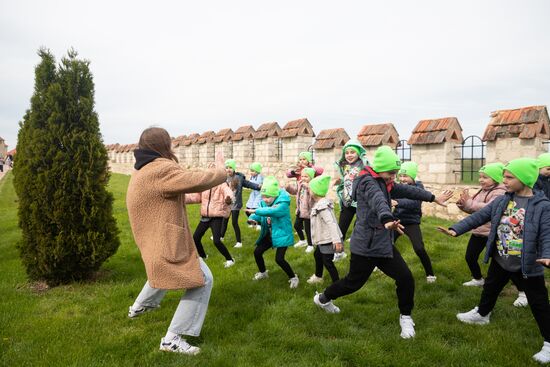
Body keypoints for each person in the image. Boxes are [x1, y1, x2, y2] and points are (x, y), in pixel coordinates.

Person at [313, 146, 452, 339]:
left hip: (383, 244)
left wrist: (433, 197)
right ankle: (323, 299)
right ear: (379, 169)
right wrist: (387, 219)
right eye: (391, 173)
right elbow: (378, 201)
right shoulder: (367, 183)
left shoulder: (385, 182)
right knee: (353, 283)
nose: (394, 177)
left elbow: (407, 190)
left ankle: (405, 317)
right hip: (366, 245)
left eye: (396, 173)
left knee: (405, 278)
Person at [439, 158, 550, 364]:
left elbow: (546, 233)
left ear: (525, 179)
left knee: (539, 302)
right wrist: (456, 229)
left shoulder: (542, 205)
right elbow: (480, 216)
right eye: (504, 176)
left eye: (509, 177)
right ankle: (482, 315)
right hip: (501, 257)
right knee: (490, 288)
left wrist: (547, 254)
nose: (504, 180)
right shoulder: (503, 200)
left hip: (527, 264)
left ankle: (549, 342)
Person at [126, 127, 226, 355]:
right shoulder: (160, 169)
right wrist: (221, 170)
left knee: (159, 271)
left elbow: (165, 196)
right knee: (202, 279)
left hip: (152, 241)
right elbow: (197, 179)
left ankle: (139, 308)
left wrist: (190, 198)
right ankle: (172, 339)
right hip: (165, 241)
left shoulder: (142, 170)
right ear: (163, 145)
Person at [246, 176, 299, 289]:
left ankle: (293, 277)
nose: (264, 199)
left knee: (279, 259)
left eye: (267, 197)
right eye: (263, 196)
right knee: (257, 252)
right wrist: (253, 218)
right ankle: (263, 272)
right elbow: (259, 214)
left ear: (275, 194)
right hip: (269, 234)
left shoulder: (282, 203)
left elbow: (273, 211)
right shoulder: (264, 203)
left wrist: (255, 211)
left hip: (282, 234)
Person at [392, 161, 437, 283]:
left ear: (412, 176)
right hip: (397, 220)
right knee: (386, 244)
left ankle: (430, 274)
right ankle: (380, 265)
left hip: (411, 222)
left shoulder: (418, 188)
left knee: (419, 248)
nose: (402, 179)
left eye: (405, 176)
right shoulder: (397, 187)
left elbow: (414, 203)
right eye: (400, 176)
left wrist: (397, 202)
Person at [186, 170, 236, 268]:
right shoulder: (204, 186)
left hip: (216, 216)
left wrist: (229, 198)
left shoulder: (222, 185)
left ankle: (230, 259)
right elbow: (197, 197)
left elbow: (228, 192)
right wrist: (182, 198)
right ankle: (203, 256)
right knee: (196, 238)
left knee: (216, 241)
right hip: (205, 216)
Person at [307, 175, 343, 284]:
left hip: (328, 239)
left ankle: (337, 284)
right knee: (317, 254)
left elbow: (331, 223)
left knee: (327, 262)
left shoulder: (322, 207)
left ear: (315, 191)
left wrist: (336, 240)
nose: (309, 190)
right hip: (324, 238)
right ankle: (318, 276)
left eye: (310, 189)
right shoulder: (320, 202)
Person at [220, 159, 261, 248]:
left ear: (234, 168)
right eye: (226, 168)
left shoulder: (239, 178)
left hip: (236, 204)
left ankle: (239, 242)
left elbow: (248, 184)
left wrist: (258, 186)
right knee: (224, 220)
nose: (228, 169)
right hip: (227, 204)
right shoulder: (224, 179)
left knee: (234, 223)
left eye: (230, 167)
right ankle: (221, 237)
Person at [286, 167, 315, 253]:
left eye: (306, 176)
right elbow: (295, 191)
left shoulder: (313, 185)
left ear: (311, 177)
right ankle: (302, 240)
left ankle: (310, 245)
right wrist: (288, 188)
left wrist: (308, 188)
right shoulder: (300, 183)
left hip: (308, 211)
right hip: (300, 210)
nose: (303, 178)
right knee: (296, 226)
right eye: (302, 176)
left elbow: (315, 196)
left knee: (308, 229)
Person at [244, 162, 264, 231]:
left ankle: (259, 224)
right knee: (248, 208)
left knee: (256, 209)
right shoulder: (252, 177)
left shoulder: (261, 177)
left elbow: (263, 185)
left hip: (259, 194)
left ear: (257, 171)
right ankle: (252, 222)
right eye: (251, 171)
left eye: (253, 171)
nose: (251, 172)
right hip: (253, 194)